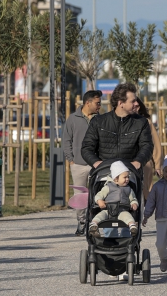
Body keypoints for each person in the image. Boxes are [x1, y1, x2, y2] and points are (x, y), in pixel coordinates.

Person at [81, 83, 154, 173]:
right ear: (121, 103)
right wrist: (96, 163)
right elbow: (87, 147)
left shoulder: (141, 123)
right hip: (104, 173)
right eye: (133, 101)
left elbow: (147, 146)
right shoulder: (98, 122)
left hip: (130, 173)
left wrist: (138, 162)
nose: (137, 103)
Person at [63, 90, 102, 236]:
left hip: (96, 164)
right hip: (78, 164)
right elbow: (66, 140)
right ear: (88, 103)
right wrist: (71, 160)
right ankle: (81, 222)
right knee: (79, 196)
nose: (99, 106)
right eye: (97, 103)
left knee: (97, 195)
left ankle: (94, 223)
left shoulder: (101, 119)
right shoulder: (72, 119)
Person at [88, 161, 139, 237]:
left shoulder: (128, 189)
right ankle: (94, 224)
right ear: (116, 179)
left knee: (128, 216)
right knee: (100, 215)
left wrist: (134, 203)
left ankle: (132, 226)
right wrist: (99, 201)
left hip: (122, 210)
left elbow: (133, 199)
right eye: (125, 177)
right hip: (108, 210)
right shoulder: (108, 187)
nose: (127, 179)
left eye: (128, 177)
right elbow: (98, 195)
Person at [135, 97, 163, 202]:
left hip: (145, 162)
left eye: (138, 106)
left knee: (145, 193)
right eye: (134, 105)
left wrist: (158, 165)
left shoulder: (147, 122)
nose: (136, 108)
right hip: (126, 161)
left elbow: (155, 144)